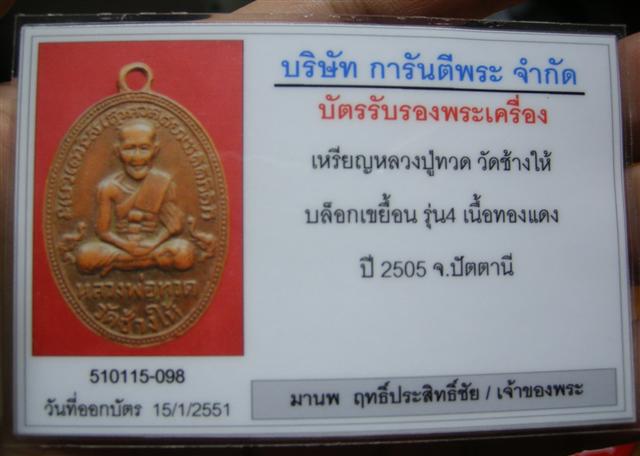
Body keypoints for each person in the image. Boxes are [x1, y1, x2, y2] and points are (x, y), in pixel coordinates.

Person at [75, 118, 195, 275]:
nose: (137, 157)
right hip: (120, 247)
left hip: (153, 246)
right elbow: (103, 232)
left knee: (184, 253)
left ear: (155, 150)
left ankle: (119, 265)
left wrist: (152, 244)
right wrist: (127, 246)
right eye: (129, 149)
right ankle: (149, 263)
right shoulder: (108, 187)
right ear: (118, 151)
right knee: (84, 256)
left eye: (144, 148)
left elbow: (173, 226)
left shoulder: (163, 182)